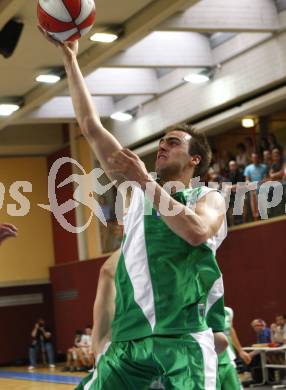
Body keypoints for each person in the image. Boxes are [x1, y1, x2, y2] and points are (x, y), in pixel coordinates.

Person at [39, 27, 227, 389]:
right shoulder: (135, 190)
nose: (161, 147)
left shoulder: (208, 198)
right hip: (129, 339)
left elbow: (196, 232)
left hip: (182, 338)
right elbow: (91, 126)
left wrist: (144, 181)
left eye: (172, 143)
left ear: (195, 160)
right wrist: (70, 58)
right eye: (160, 142)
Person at [218, 307, 252, 390]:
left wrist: (240, 350)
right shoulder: (198, 309)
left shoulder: (228, 311)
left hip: (228, 358)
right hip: (207, 360)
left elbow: (230, 330)